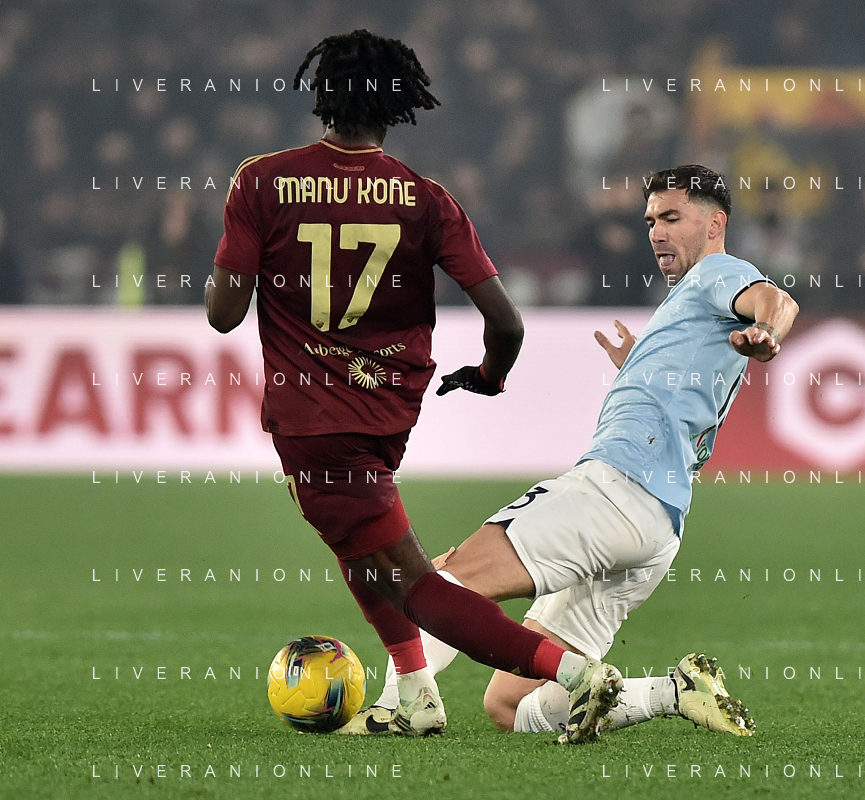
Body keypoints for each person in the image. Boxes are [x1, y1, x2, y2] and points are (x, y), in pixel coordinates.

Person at [204, 30, 624, 744]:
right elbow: (506, 321)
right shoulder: (425, 198)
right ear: (396, 106)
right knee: (361, 553)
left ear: (321, 96)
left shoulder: (262, 181)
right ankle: (416, 694)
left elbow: (224, 314)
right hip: (388, 411)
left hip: (314, 417)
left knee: (415, 583)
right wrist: (489, 376)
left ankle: (576, 675)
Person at [352, 164, 799, 739]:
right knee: (511, 704)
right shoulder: (692, 302)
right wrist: (640, 366)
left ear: (715, 224)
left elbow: (775, 301)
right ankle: (674, 691)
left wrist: (768, 332)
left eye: (671, 218)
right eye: (650, 221)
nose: (656, 233)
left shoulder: (719, 272)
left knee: (444, 579)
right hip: (658, 529)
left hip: (615, 492)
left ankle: (400, 708)